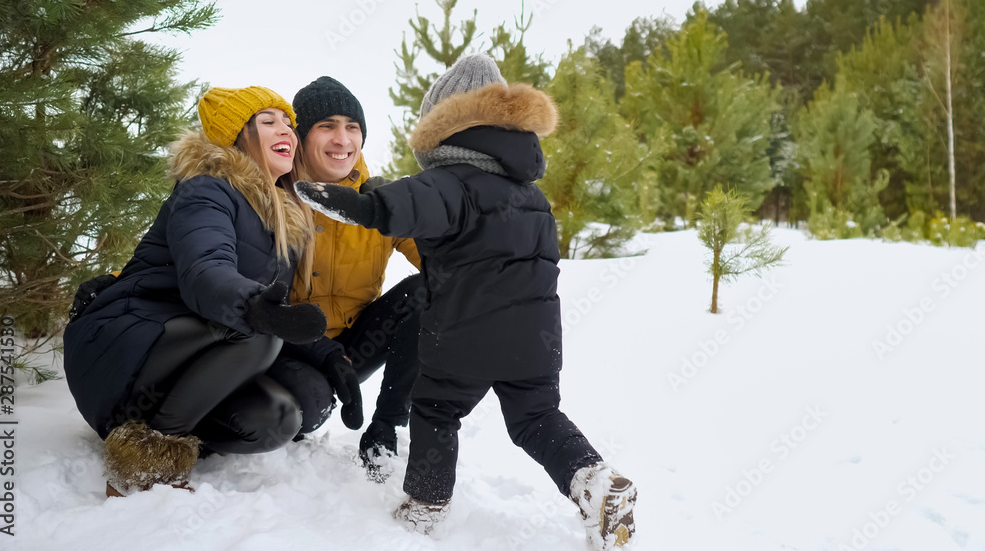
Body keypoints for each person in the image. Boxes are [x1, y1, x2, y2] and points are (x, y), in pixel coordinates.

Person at [294, 55, 638, 550]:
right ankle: (596, 482)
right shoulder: (531, 195)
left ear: (447, 123)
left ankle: (425, 505)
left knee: (436, 408)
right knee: (536, 417)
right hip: (537, 338)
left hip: (463, 333)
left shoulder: (449, 182)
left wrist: (358, 203)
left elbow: (402, 208)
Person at [64, 86, 351, 497]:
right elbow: (205, 273)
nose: (285, 128)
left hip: (180, 360)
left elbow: (276, 309)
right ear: (236, 136)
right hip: (127, 341)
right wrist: (258, 309)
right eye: (268, 121)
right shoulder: (208, 188)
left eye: (288, 122)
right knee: (258, 328)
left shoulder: (283, 220)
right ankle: (145, 461)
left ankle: (156, 423)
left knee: (278, 420)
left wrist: (328, 355)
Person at [270, 76, 422, 479]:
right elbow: (209, 256)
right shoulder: (275, 196)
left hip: (356, 344)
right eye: (327, 126)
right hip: (290, 347)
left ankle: (387, 428)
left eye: (352, 127)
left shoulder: (378, 203)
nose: (342, 139)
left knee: (430, 291)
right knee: (304, 409)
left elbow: (442, 259)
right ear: (300, 137)